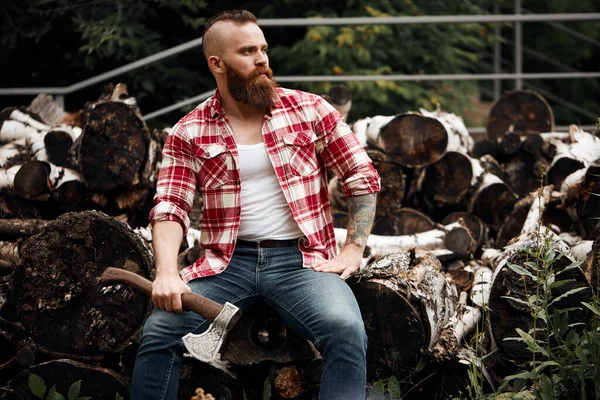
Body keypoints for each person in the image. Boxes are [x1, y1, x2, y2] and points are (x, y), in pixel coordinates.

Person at [131, 9, 380, 400]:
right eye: (248, 51)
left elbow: (360, 175)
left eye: (263, 49)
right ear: (217, 63)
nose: (262, 59)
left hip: (301, 262)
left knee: (346, 329)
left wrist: (353, 247)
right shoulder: (189, 130)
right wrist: (166, 272)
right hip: (225, 266)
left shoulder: (310, 110)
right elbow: (170, 206)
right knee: (159, 330)